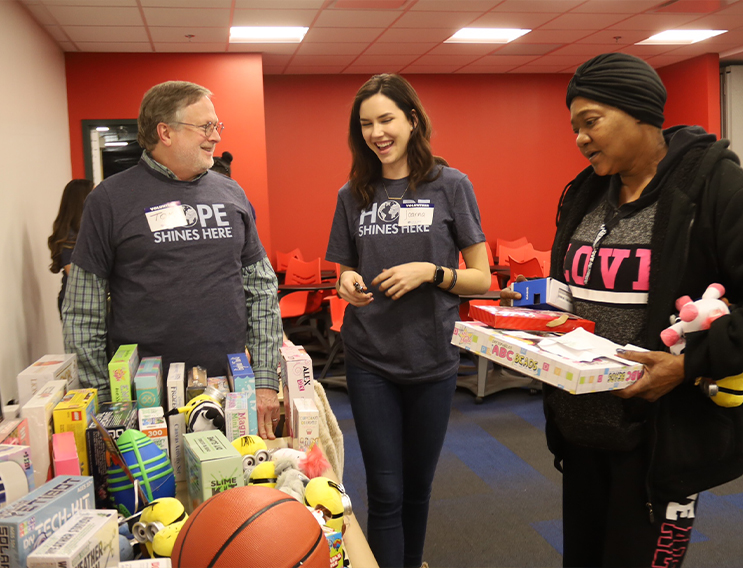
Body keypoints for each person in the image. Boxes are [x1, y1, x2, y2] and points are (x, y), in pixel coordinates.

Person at [503, 53, 743, 567]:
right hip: (584, 431)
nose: (581, 138)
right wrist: (534, 305)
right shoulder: (587, 194)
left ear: (640, 112)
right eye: (575, 128)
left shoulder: (713, 186)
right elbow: (576, 291)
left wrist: (686, 364)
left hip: (661, 444)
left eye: (591, 122)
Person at [325, 74, 491, 568]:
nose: (377, 132)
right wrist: (347, 283)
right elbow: (344, 268)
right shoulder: (352, 193)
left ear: (412, 120)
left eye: (387, 119)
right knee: (385, 490)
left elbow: (482, 278)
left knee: (418, 488)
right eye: (367, 123)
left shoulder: (451, 184)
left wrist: (432, 272)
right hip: (370, 358)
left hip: (433, 357)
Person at [63, 81, 283, 439]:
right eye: (205, 127)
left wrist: (265, 381)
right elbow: (83, 315)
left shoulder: (232, 193)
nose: (215, 137)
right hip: (143, 403)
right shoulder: (108, 200)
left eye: (217, 127)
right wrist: (104, 403)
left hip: (230, 391)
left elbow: (261, 291)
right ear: (164, 131)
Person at [48, 179, 94, 317]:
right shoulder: (70, 237)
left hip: (89, 303)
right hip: (78, 305)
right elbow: (76, 275)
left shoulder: (89, 230)